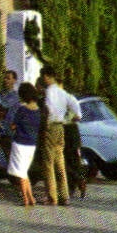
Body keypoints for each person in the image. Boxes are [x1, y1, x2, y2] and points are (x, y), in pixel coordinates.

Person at [38, 66, 78, 206]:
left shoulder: (49, 92)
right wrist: (69, 119)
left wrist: (45, 126)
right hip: (61, 126)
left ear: (47, 76)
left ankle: (51, 196)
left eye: (43, 76)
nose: (42, 80)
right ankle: (64, 195)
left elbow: (48, 109)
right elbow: (76, 110)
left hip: (51, 127)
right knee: (60, 161)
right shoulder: (63, 92)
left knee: (48, 163)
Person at [8, 83, 42, 207]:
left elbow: (13, 125)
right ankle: (31, 197)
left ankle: (25, 200)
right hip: (32, 144)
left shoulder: (22, 109)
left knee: (20, 173)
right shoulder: (38, 110)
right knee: (24, 171)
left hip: (20, 143)